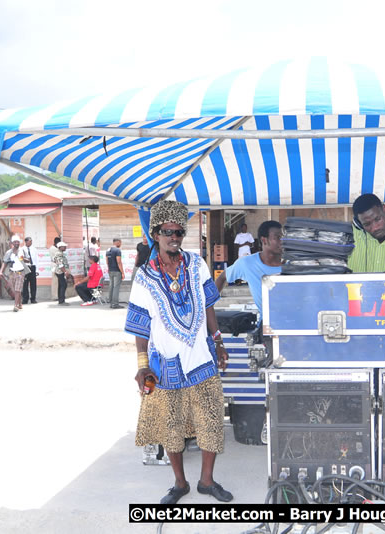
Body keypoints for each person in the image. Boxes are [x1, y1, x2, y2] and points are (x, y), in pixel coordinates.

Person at [125, 200, 232, 504]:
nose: (174, 237)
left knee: (211, 420)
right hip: (166, 363)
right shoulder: (145, 277)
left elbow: (209, 304)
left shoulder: (196, 264)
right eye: (168, 231)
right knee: (170, 426)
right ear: (155, 234)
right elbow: (140, 326)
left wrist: (219, 340)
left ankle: (207, 481)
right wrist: (142, 365)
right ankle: (180, 483)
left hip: (201, 357)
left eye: (179, 232)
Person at [215, 221, 283, 317]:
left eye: (283, 237)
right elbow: (222, 277)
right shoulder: (247, 263)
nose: (282, 241)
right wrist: (208, 307)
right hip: (267, 328)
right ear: (264, 240)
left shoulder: (293, 265)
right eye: (278, 238)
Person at [0, 235, 26, 312]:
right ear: (12, 243)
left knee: (17, 289)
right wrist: (1, 272)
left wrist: (24, 259)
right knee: (16, 289)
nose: (17, 243)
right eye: (15, 242)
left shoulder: (23, 251)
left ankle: (15, 305)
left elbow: (28, 260)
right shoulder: (9, 252)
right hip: (12, 273)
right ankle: (20, 303)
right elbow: (5, 262)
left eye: (18, 242)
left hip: (20, 272)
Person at [52, 241, 73, 306]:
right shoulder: (59, 254)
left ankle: (61, 300)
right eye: (64, 246)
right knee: (63, 285)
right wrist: (65, 272)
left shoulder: (60, 253)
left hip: (60, 271)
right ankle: (61, 300)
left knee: (61, 285)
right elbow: (60, 264)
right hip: (60, 271)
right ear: (60, 247)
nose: (65, 247)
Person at [106, 237, 125, 309]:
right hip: (117, 271)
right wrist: (122, 272)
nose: (121, 244)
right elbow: (119, 262)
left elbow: (107, 261)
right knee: (116, 287)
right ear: (118, 242)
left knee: (111, 286)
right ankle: (115, 304)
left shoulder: (108, 250)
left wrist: (109, 269)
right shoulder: (117, 250)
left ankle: (111, 302)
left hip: (110, 270)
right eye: (120, 242)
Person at [20, 236, 38, 304]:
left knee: (33, 284)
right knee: (25, 284)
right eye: (29, 241)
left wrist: (37, 270)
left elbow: (36, 259)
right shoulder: (22, 249)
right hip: (25, 267)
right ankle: (25, 299)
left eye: (31, 241)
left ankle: (33, 298)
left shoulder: (34, 249)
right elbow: (21, 259)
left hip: (32, 267)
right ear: (26, 242)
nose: (31, 242)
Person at [48, 237, 61, 302]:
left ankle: (56, 295)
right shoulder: (54, 249)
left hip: (55, 264)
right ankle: (55, 296)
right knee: (55, 281)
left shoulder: (52, 248)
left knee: (56, 281)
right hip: (55, 265)